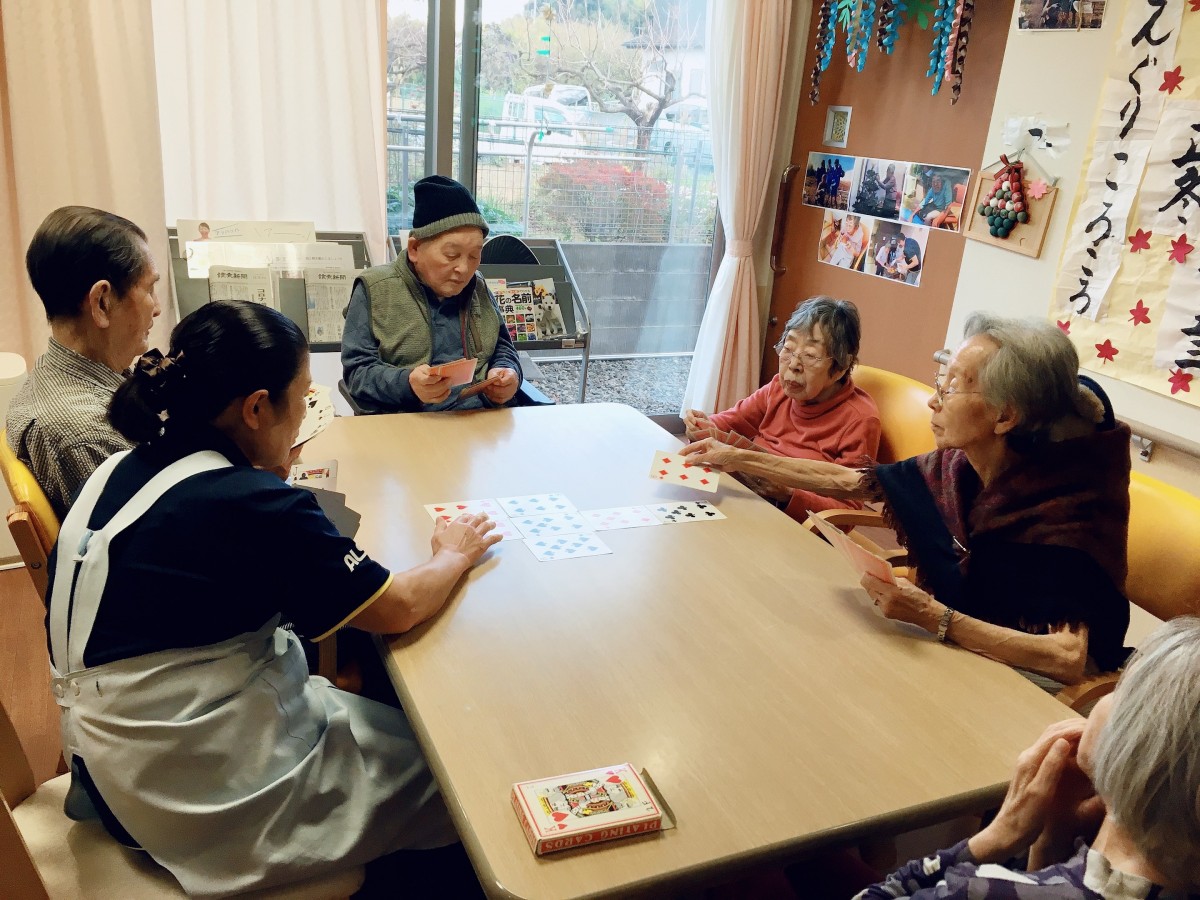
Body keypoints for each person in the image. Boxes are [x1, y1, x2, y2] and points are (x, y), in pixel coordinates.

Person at [46, 299, 502, 896]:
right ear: (258, 408)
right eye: (303, 400)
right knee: (468, 787)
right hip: (194, 794)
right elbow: (399, 608)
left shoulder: (123, 467)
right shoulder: (254, 503)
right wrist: (453, 553)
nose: (305, 417)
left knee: (396, 724)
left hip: (111, 762)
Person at [682, 314, 1131, 687]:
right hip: (957, 650)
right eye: (941, 380)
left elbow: (1066, 657)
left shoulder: (1068, 506)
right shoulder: (960, 465)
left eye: (952, 388)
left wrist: (937, 618)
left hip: (1023, 685)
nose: (934, 401)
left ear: (1006, 416)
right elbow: (849, 481)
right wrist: (734, 456)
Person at [852, 616, 1200, 899]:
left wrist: (995, 838)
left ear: (1138, 740)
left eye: (1121, 689)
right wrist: (1052, 843)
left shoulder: (978, 891)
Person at [6, 206, 161, 519]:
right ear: (102, 302)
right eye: (149, 289)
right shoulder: (87, 434)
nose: (156, 308)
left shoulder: (52, 373)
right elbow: (158, 535)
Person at [684, 297, 880, 523]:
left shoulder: (860, 419)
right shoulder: (778, 388)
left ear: (840, 368)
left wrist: (787, 494)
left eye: (810, 356)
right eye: (788, 349)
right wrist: (702, 425)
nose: (793, 365)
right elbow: (729, 422)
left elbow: (846, 514)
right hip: (748, 498)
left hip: (794, 523)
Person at [341, 175, 522, 413]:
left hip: (480, 416)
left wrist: (508, 371)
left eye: (474, 255)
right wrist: (408, 384)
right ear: (415, 248)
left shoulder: (477, 285)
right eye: (451, 255)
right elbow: (357, 373)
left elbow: (503, 347)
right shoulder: (375, 288)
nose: (464, 269)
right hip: (406, 421)